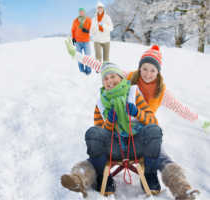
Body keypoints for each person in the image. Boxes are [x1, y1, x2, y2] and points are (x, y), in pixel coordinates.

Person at [64, 36, 208, 199]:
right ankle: (79, 177)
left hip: (144, 133)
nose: (147, 74)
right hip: (117, 135)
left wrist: (204, 123)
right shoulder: (126, 79)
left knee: (162, 155)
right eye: (144, 68)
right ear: (139, 68)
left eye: (152, 70)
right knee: (97, 149)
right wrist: (76, 55)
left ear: (158, 72)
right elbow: (103, 68)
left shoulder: (160, 92)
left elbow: (181, 109)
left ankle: (181, 187)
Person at [61, 59, 163, 197]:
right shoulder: (100, 104)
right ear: (103, 83)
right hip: (113, 148)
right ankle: (104, 178)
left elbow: (153, 121)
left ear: (121, 78)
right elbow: (99, 135)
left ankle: (150, 177)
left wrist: (137, 113)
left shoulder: (134, 95)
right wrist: (109, 122)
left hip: (136, 145)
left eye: (113, 76)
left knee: (154, 130)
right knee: (92, 132)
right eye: (106, 78)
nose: (110, 80)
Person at [90, 1, 113, 71]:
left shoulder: (107, 17)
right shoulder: (94, 19)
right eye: (98, 8)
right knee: (98, 56)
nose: (100, 9)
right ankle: (98, 69)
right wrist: (91, 34)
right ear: (97, 9)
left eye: (101, 8)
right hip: (97, 40)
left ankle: (106, 69)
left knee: (106, 58)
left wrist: (104, 25)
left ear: (103, 9)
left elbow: (111, 28)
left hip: (106, 40)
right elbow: (91, 28)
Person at [71, 7, 92, 75]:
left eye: (82, 11)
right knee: (79, 57)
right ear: (78, 12)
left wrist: (88, 31)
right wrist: (73, 38)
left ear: (84, 12)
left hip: (86, 41)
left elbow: (93, 29)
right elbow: (73, 30)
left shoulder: (89, 20)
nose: (81, 12)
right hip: (78, 42)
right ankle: (82, 71)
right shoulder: (75, 21)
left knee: (87, 57)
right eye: (80, 11)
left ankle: (88, 71)